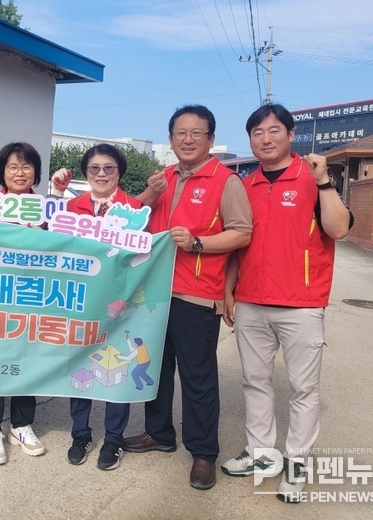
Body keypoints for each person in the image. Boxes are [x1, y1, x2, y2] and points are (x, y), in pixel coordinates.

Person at [221, 104, 352, 503]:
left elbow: (339, 229)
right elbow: (237, 242)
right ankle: (261, 455)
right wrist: (228, 290)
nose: (265, 138)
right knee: (255, 381)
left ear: (291, 134)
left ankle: (296, 464)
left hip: (301, 303)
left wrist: (324, 182)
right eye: (257, 132)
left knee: (303, 389)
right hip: (251, 302)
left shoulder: (313, 179)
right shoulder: (246, 185)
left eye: (274, 130)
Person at [123, 105, 253, 491]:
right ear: (170, 139)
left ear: (211, 139)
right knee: (155, 369)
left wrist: (198, 243)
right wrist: (150, 193)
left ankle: (203, 452)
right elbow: (127, 219)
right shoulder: (162, 178)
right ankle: (159, 433)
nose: (188, 139)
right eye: (181, 133)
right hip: (153, 293)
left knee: (198, 377)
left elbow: (242, 232)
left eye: (197, 133)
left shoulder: (225, 181)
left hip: (196, 295)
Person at [61, 143, 145, 471]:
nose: (101, 174)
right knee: (80, 366)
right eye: (94, 168)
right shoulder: (71, 207)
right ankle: (80, 433)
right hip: (81, 301)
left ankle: (113, 438)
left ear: (119, 172)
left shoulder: (136, 210)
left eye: (109, 168)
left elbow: (146, 257)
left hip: (120, 304)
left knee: (117, 368)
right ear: (86, 172)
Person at [0, 142, 46, 465]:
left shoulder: (47, 210)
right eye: (13, 167)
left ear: (36, 172)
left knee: (26, 360)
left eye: (27, 166)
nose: (20, 173)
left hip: (32, 298)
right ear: (2, 172)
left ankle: (21, 425)